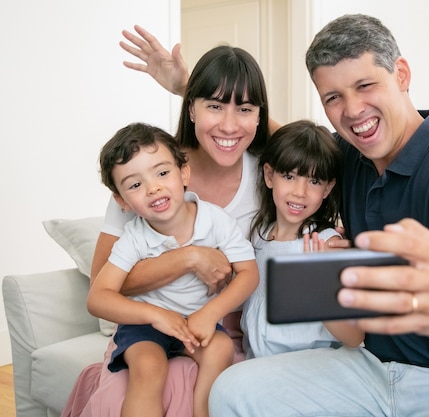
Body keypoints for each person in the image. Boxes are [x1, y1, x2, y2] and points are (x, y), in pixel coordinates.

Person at [206, 13, 429, 417]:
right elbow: (290, 149)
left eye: (365, 85)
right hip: (369, 370)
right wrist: (199, 93)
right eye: (333, 97)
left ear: (401, 74)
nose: (352, 110)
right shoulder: (349, 156)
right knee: (233, 390)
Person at [61, 43, 274, 417]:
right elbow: (103, 286)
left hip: (219, 330)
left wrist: (191, 85)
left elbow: (318, 150)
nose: (229, 124)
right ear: (191, 109)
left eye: (245, 109)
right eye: (213, 105)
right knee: (139, 382)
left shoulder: (270, 175)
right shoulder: (146, 171)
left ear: (260, 116)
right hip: (147, 326)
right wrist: (189, 258)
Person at [89, 122, 259, 417]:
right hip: (145, 326)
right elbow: (98, 298)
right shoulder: (134, 237)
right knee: (148, 368)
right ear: (122, 201)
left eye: (162, 173)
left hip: (195, 321)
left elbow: (249, 274)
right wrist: (156, 315)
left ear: (184, 173)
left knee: (220, 349)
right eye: (135, 185)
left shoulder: (215, 221)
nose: (153, 188)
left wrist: (210, 313)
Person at [242, 119, 364, 358]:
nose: (300, 192)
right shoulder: (260, 236)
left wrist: (319, 287)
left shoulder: (327, 245)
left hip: (308, 366)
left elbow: (354, 336)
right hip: (258, 366)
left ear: (327, 189)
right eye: (289, 176)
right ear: (269, 176)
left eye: (314, 181)